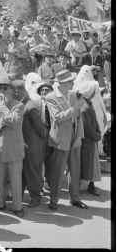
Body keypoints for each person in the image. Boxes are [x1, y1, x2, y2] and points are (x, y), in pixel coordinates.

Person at [45, 68, 86, 211]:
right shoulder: (51, 97)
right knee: (58, 170)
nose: (73, 83)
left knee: (75, 170)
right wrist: (75, 108)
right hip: (61, 138)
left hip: (74, 137)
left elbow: (79, 117)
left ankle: (75, 198)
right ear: (61, 83)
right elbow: (58, 117)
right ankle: (53, 200)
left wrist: (80, 135)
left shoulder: (73, 95)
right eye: (70, 81)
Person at [0, 76, 25, 217]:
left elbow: (14, 122)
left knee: (15, 179)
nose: (1, 90)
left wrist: (4, 109)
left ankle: (18, 207)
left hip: (13, 148)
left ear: (12, 90)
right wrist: (1, 123)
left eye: (5, 88)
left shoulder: (18, 105)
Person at [12, 80, 47, 208]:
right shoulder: (22, 103)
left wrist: (36, 144)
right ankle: (19, 196)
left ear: (18, 91)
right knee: (22, 172)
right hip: (25, 144)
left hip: (33, 146)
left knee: (33, 172)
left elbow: (40, 128)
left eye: (13, 91)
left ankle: (36, 198)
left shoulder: (30, 106)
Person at [77, 81, 102, 197]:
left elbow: (94, 122)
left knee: (91, 163)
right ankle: (78, 187)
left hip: (91, 140)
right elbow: (87, 127)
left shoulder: (87, 104)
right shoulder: (84, 107)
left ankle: (89, 184)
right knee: (85, 163)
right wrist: (97, 136)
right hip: (87, 141)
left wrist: (97, 133)